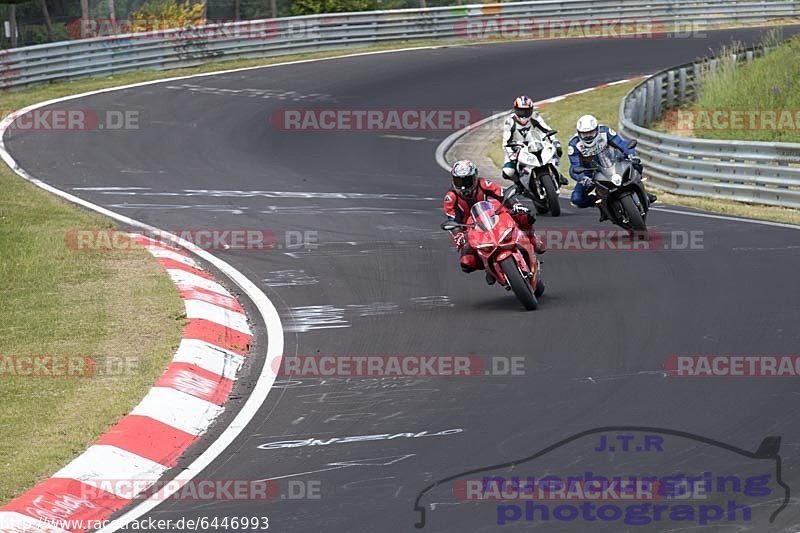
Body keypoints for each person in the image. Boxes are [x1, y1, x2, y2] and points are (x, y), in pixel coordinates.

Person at [443, 160, 544, 285]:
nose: (463, 186)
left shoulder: (483, 183)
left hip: (492, 214)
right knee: (467, 262)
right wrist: (458, 235)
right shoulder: (450, 197)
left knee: (524, 216)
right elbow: (452, 220)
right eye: (459, 181)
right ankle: (488, 268)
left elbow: (501, 194)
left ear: (474, 177)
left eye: (467, 180)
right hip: (471, 227)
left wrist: (516, 205)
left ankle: (533, 239)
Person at [567, 114, 656, 211]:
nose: (588, 136)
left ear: (597, 130)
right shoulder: (574, 144)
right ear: (579, 133)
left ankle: (642, 191)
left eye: (591, 133)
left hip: (612, 163)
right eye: (584, 134)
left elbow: (621, 144)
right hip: (590, 172)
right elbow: (575, 166)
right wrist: (583, 178)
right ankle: (600, 203)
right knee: (576, 199)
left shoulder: (605, 132)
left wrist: (631, 154)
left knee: (637, 164)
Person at [501, 95, 568, 185]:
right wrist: (512, 154)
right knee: (508, 171)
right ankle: (519, 184)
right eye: (521, 111)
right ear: (516, 110)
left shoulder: (535, 116)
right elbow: (506, 142)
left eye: (527, 111)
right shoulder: (509, 122)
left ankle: (558, 174)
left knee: (557, 149)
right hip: (516, 148)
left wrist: (554, 140)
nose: (524, 115)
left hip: (535, 142)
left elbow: (547, 129)